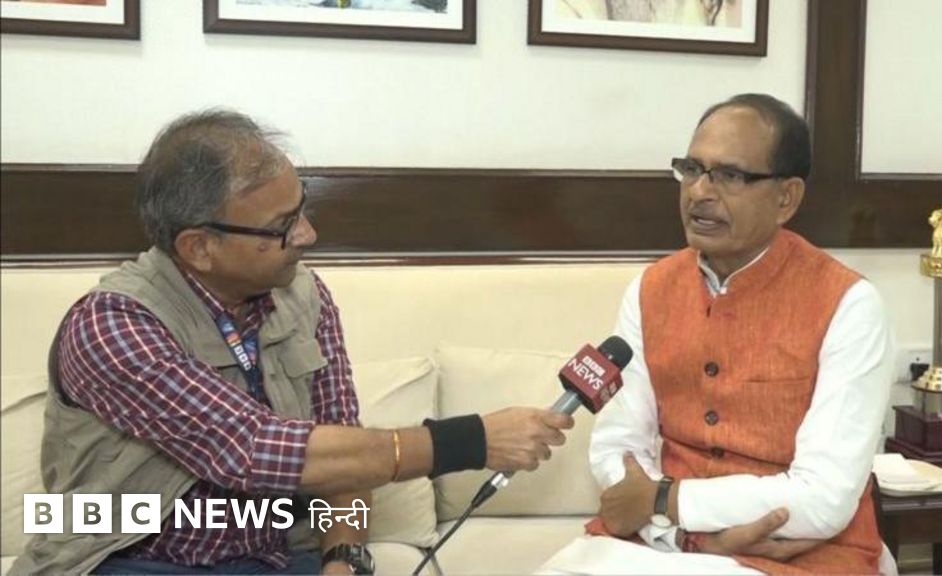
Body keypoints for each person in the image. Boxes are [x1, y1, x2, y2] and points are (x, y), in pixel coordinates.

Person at [12, 109, 573, 576]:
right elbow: (251, 449)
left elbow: (345, 455)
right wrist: (470, 440)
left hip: (277, 556)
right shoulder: (113, 325)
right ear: (199, 247)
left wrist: (343, 558)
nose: (307, 235)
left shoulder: (303, 295)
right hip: (127, 559)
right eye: (283, 226)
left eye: (302, 208)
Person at [585, 94, 894, 574]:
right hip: (662, 544)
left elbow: (825, 498)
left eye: (729, 176)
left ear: (786, 198)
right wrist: (680, 536)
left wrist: (667, 500)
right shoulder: (650, 289)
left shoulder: (850, 305)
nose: (699, 192)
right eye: (692, 169)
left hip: (798, 551)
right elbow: (617, 448)